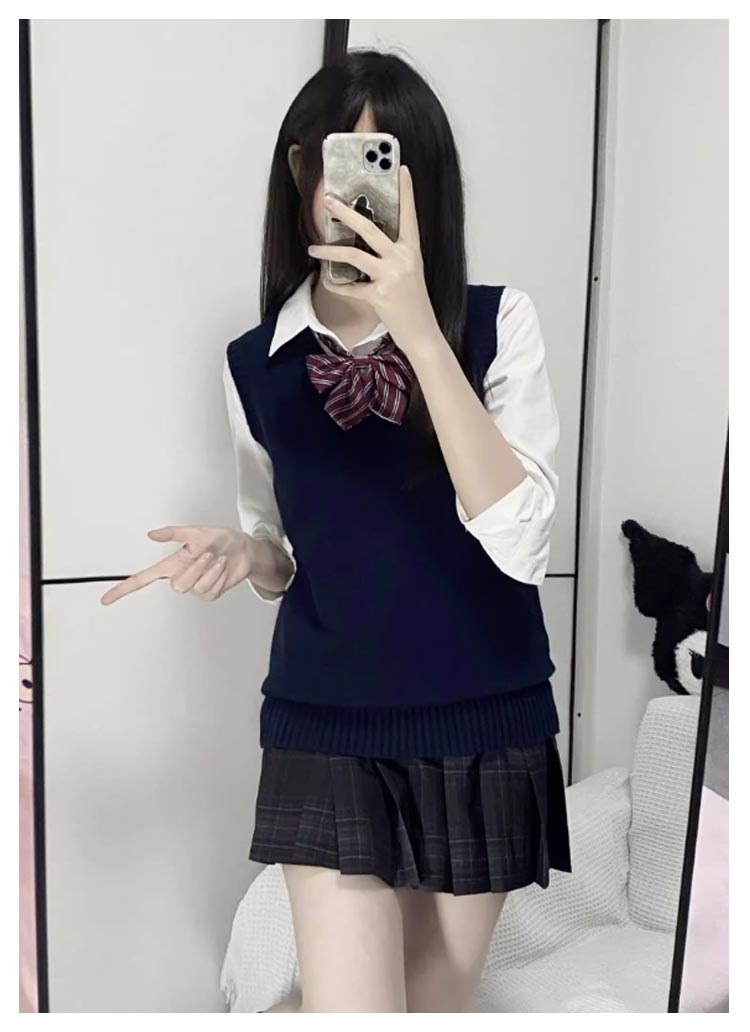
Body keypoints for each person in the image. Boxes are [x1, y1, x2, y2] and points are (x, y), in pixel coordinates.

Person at [101, 49, 572, 1014]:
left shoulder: (499, 325)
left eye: (387, 165)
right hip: (325, 723)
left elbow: (523, 543)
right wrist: (249, 554)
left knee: (434, 1007)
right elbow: (283, 548)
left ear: (425, 185)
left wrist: (420, 330)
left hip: (482, 716)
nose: (359, 194)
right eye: (339, 162)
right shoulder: (254, 365)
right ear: (299, 171)